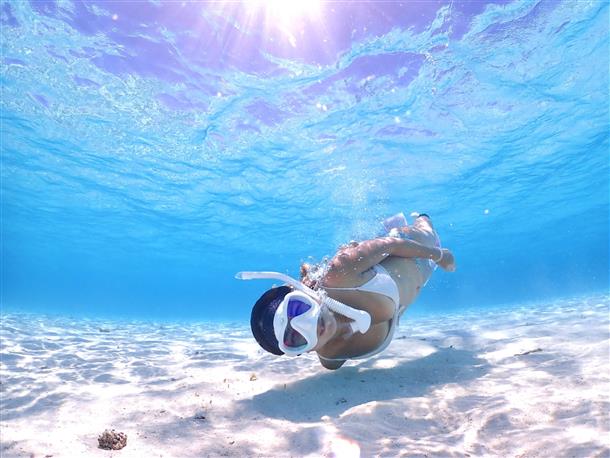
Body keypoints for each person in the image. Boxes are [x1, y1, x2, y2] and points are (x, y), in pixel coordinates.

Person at [244, 213, 456, 370]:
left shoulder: (338, 275)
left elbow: (391, 245)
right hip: (418, 279)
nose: (310, 325)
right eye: (295, 337)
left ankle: (418, 218)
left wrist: (439, 255)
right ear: (300, 351)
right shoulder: (331, 359)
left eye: (298, 309)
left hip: (411, 250)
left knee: (428, 231)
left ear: (300, 293)